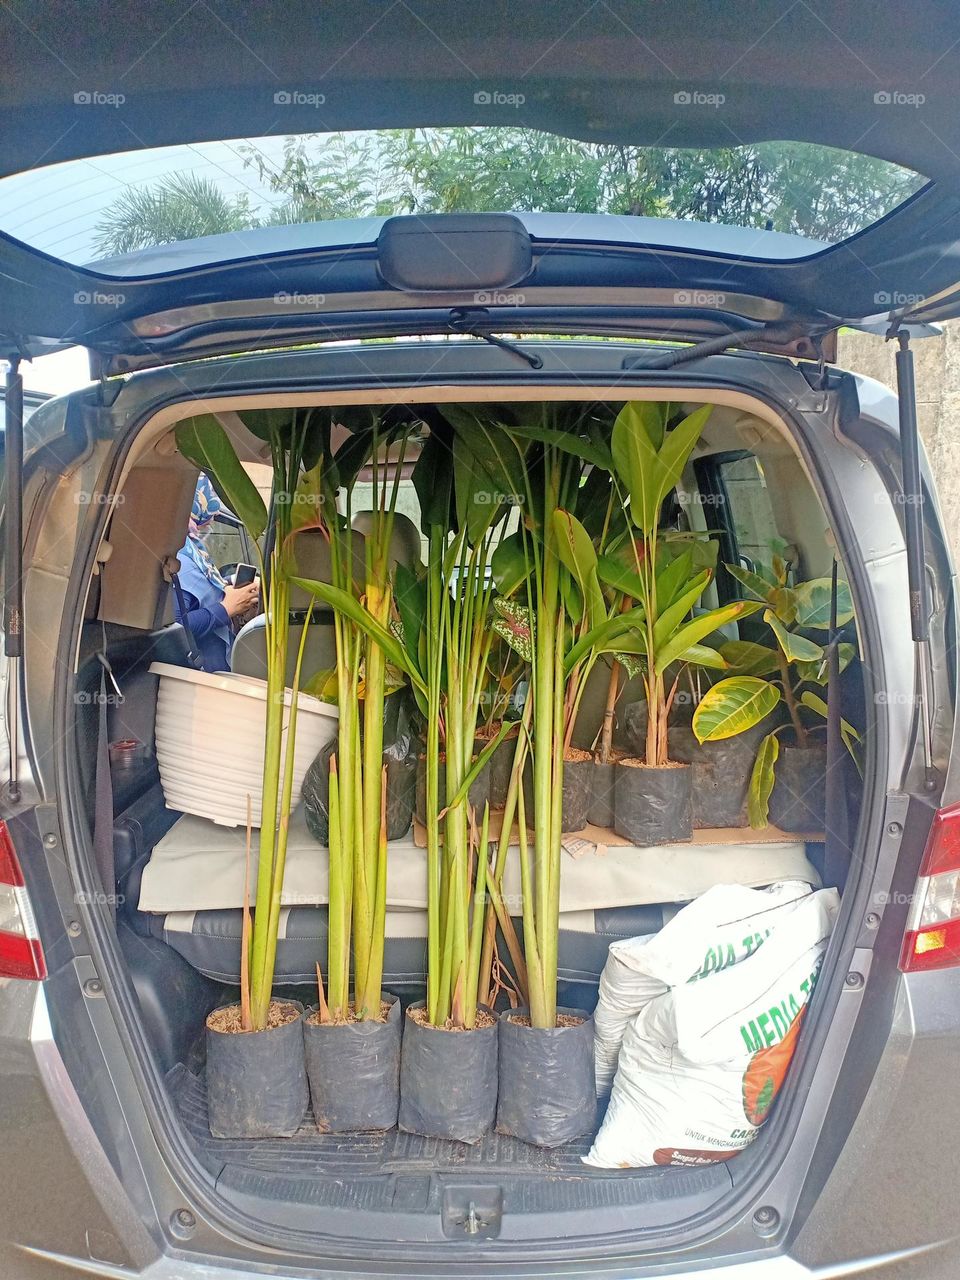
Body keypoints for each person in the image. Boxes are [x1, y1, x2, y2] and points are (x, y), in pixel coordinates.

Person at [173, 474, 259, 673]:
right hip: (198, 679)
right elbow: (177, 627)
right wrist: (226, 609)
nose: (212, 518)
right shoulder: (180, 555)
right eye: (209, 505)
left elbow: (196, 594)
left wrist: (228, 583)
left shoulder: (191, 550)